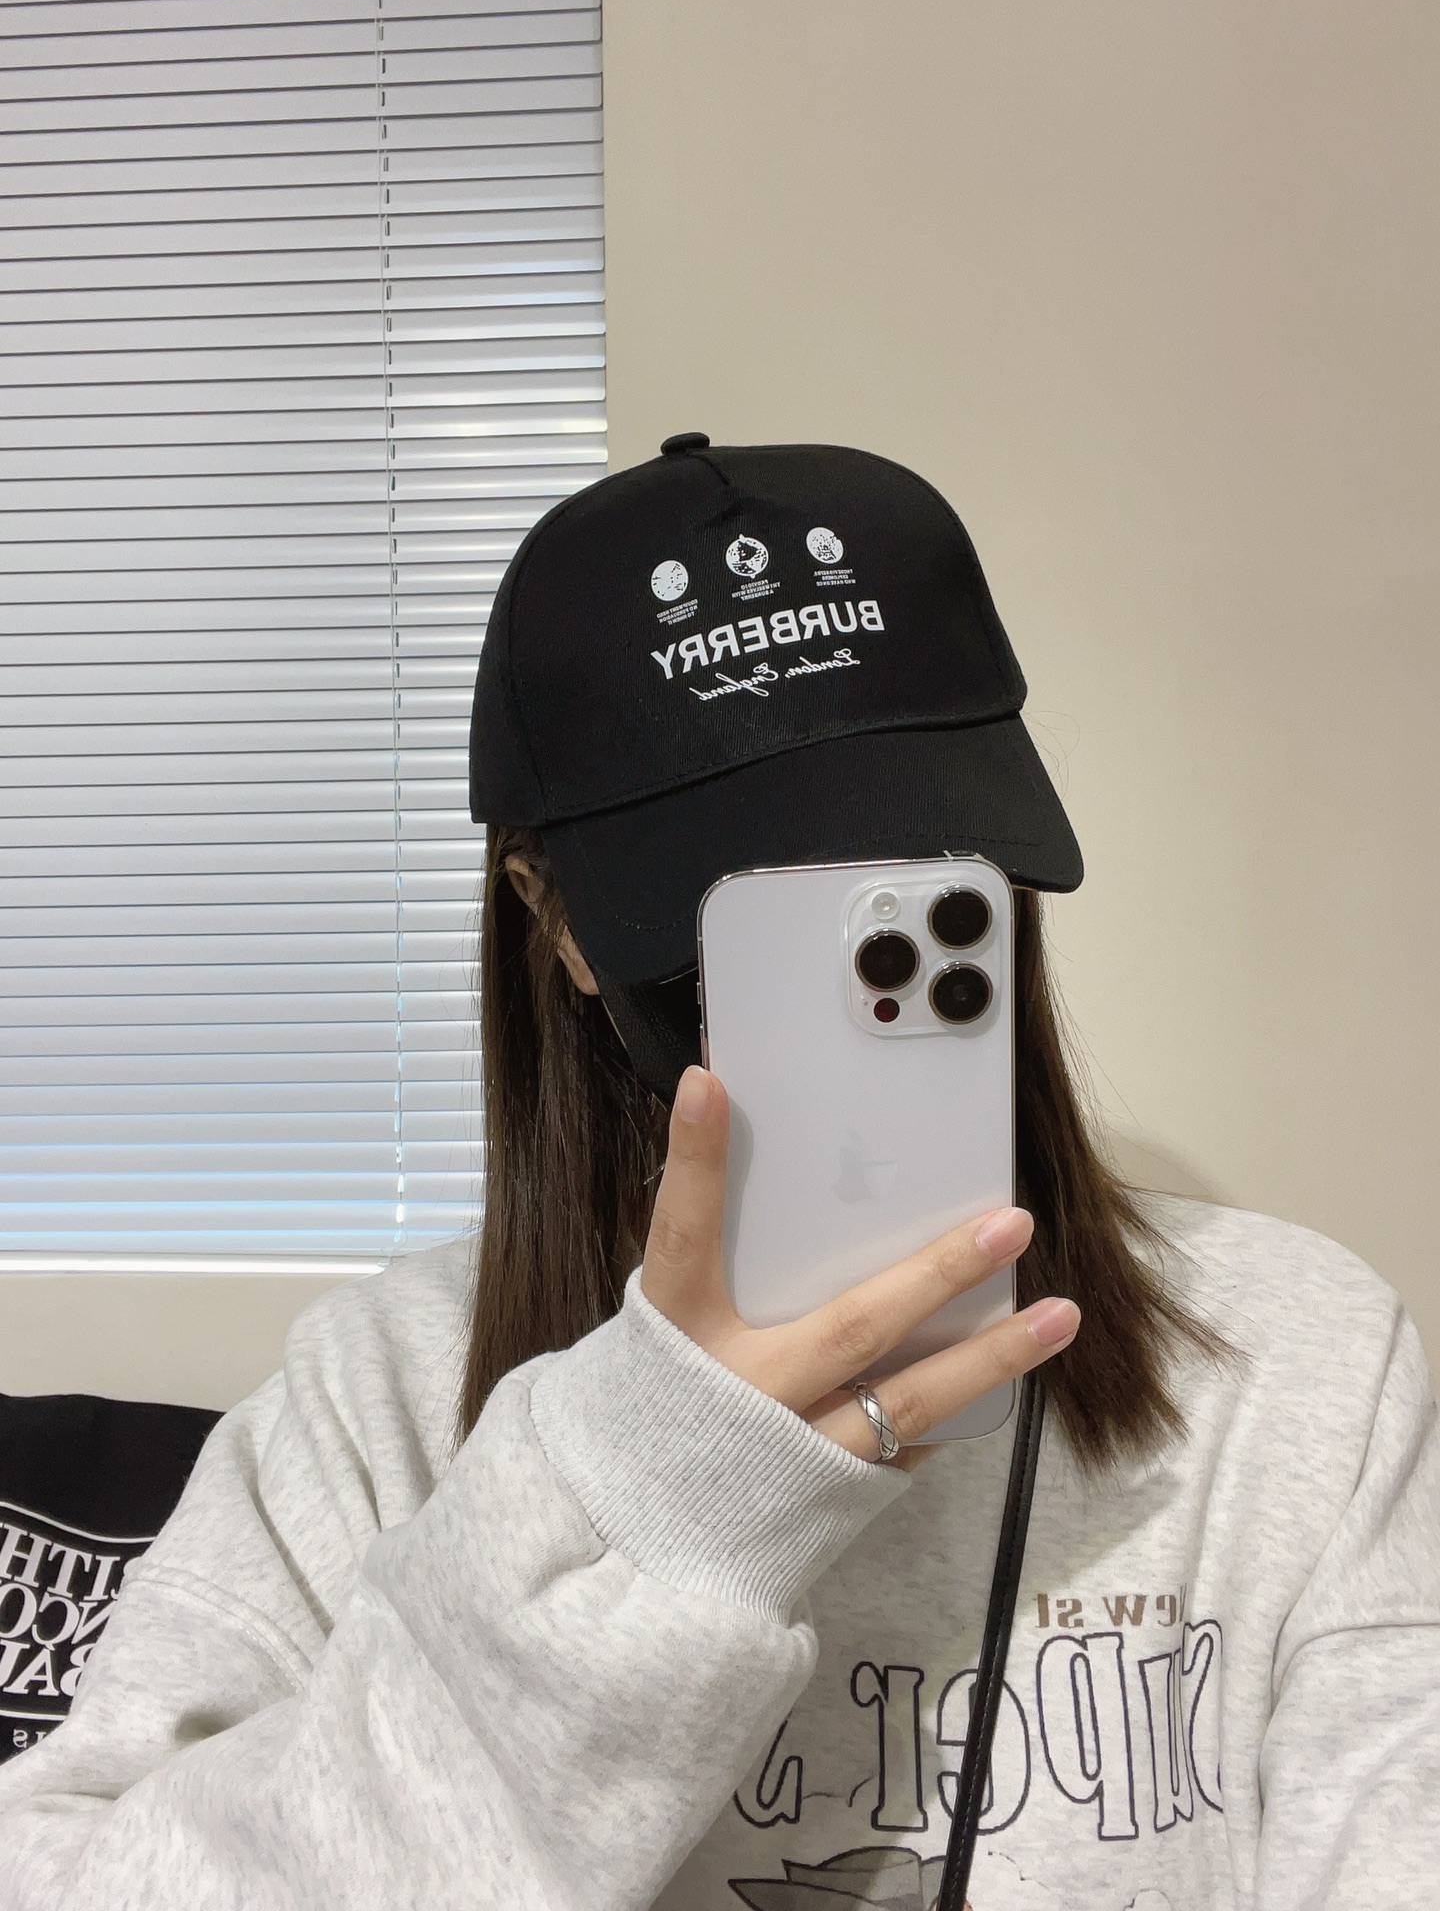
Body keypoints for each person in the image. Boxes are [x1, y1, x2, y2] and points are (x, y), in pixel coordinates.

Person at [1, 436, 1436, 1911]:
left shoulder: (1300, 1370)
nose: (839, 966)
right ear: (554, 918)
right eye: (743, 915)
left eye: (912, 874)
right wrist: (655, 1497)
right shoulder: (383, 1396)